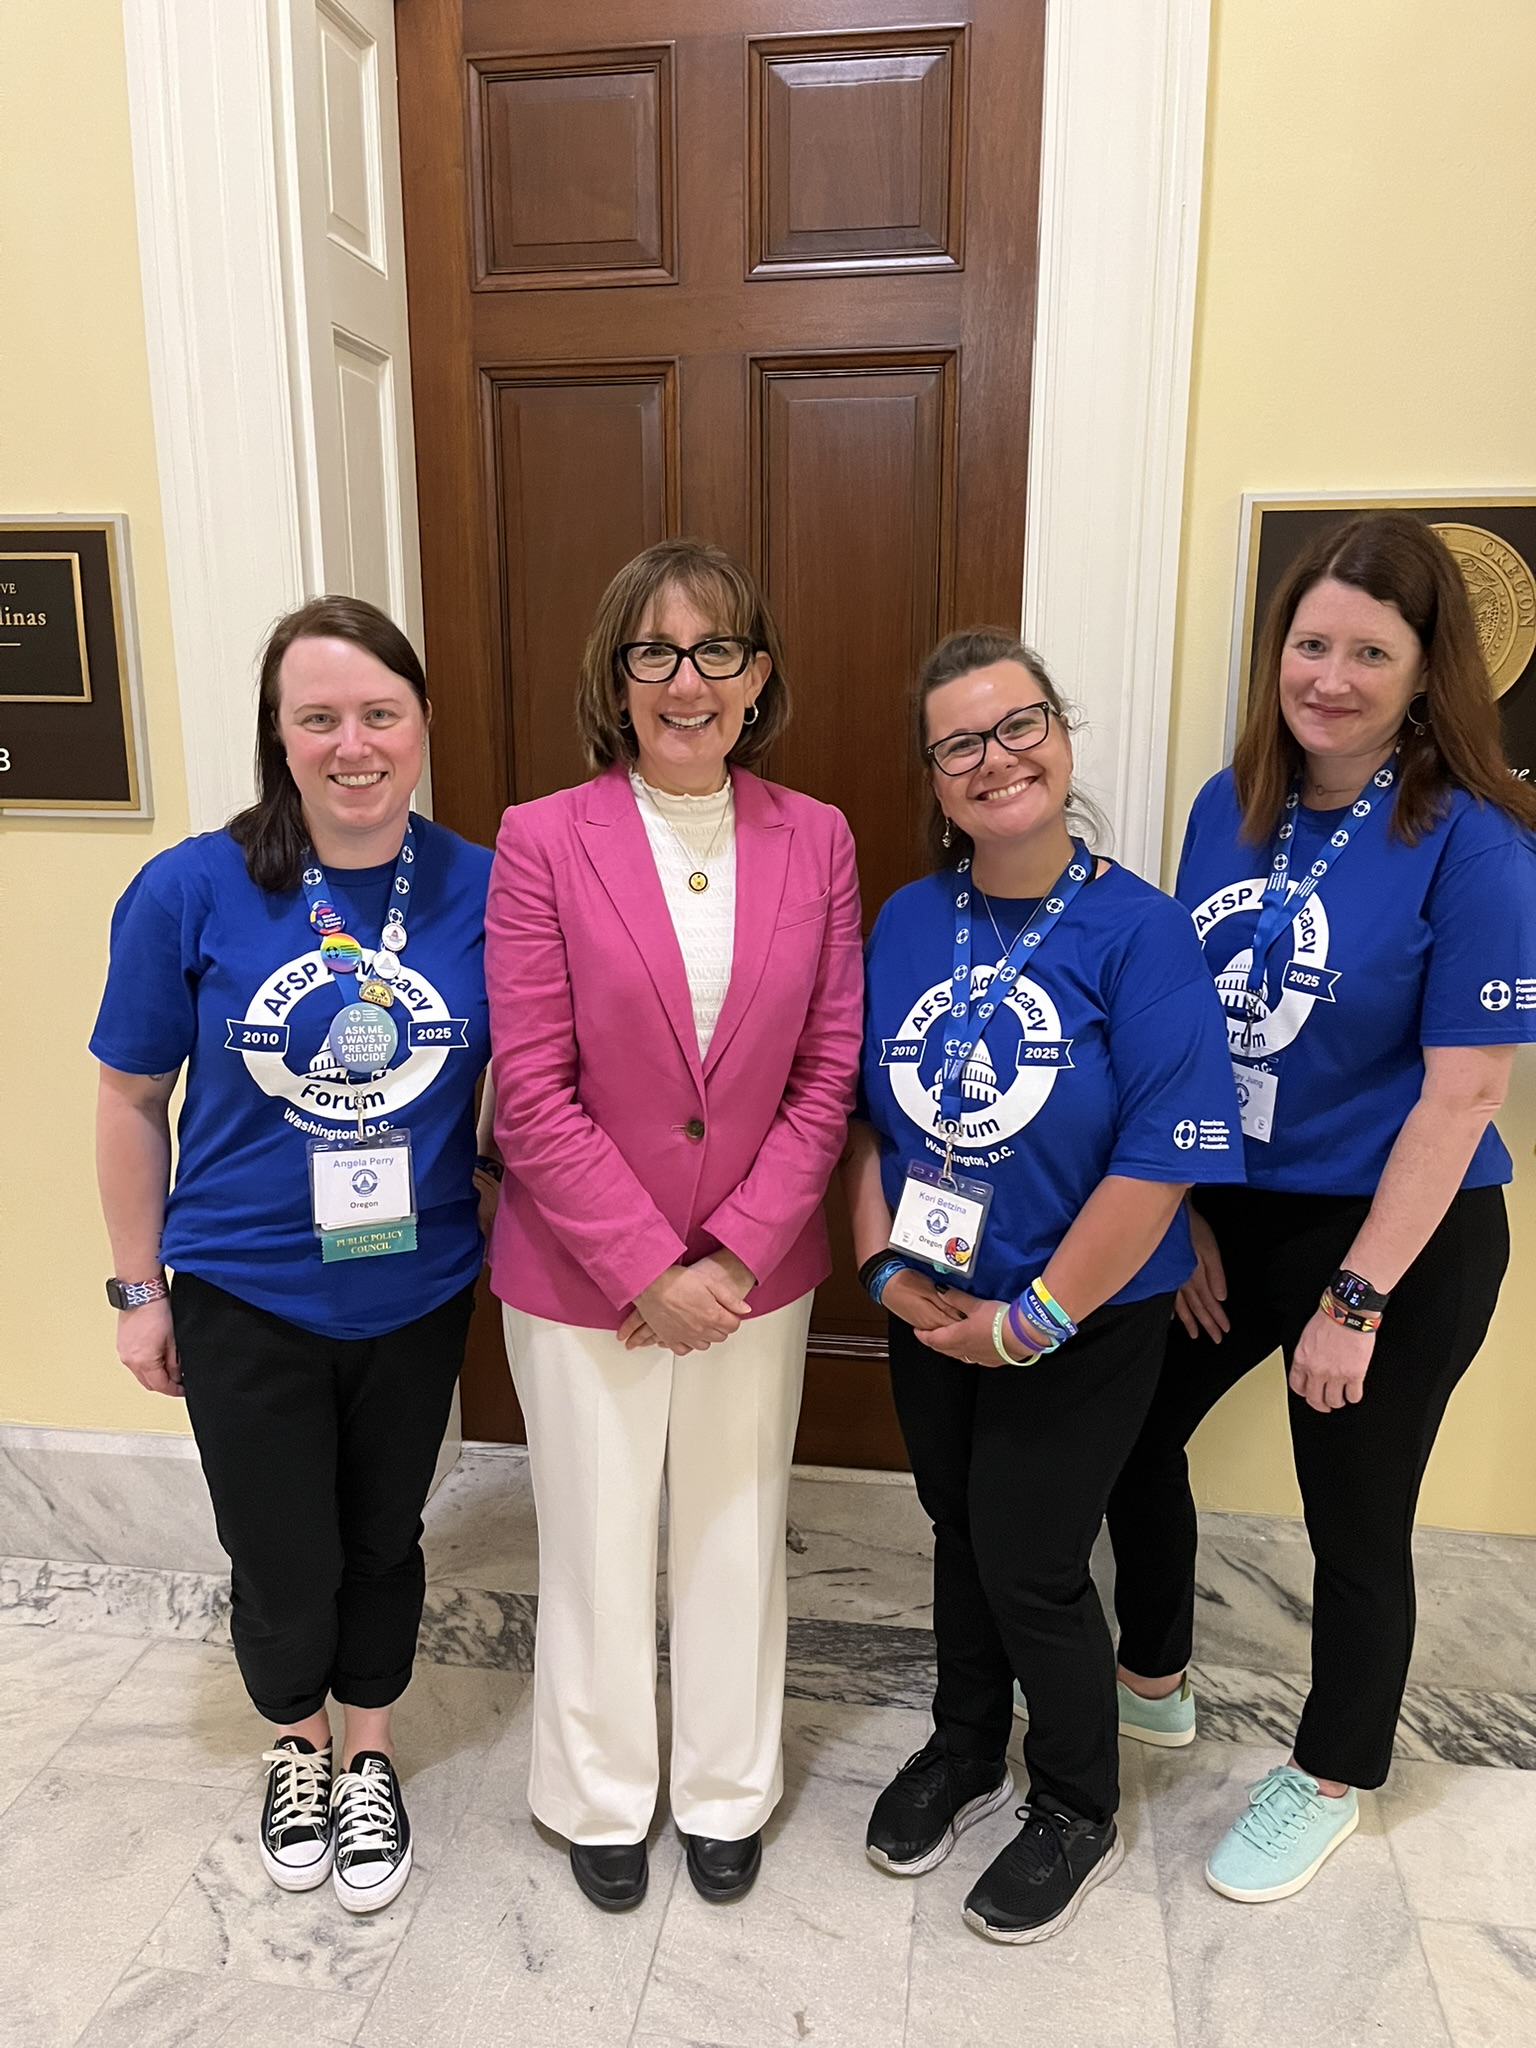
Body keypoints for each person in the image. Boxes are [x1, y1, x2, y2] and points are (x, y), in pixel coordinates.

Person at [1107, 513, 1536, 1903]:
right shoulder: (1221, 808)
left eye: (1371, 650)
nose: (1331, 676)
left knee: (1354, 1518)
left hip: (1398, 1236)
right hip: (1236, 1209)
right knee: (1125, 1426)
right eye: (1311, 643)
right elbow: (1181, 1032)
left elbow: (1464, 1095)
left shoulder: (1480, 846)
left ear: (1427, 674)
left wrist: (1355, 1299)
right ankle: (1153, 1675)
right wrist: (1187, 1223)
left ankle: (1334, 1772)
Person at [92, 596, 498, 1914]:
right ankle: (298, 1744)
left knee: (385, 1534)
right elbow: (126, 1099)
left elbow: (536, 1071)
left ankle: (370, 1745)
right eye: (318, 718)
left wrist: (488, 1178)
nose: (354, 744)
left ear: (422, 724)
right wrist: (137, 1288)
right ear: (279, 735)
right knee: (280, 1548)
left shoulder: (486, 888)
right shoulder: (194, 888)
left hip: (415, 1282)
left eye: (380, 713)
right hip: (244, 1285)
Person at [845, 628, 1244, 1944]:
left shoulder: (1142, 930)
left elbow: (1162, 1158)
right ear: (933, 775)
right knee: (960, 1526)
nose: (994, 759)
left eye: (1018, 726)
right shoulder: (909, 919)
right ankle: (967, 1747)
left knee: (1029, 1558)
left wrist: (1033, 1320)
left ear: (1062, 738)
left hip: (1080, 1316)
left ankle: (1075, 1798)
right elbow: (866, 1125)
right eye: (960, 742)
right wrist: (882, 1268)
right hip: (933, 1300)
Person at [484, 538, 862, 1913]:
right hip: (581, 1272)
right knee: (590, 1534)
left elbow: (830, 1071)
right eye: (655, 652)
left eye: (716, 652)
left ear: (757, 678)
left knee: (731, 1529)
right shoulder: (543, 838)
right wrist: (650, 1263)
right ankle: (595, 1792)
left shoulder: (816, 836)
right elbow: (527, 1087)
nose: (686, 680)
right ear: (617, 677)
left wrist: (734, 1256)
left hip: (756, 1274)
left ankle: (723, 1790)